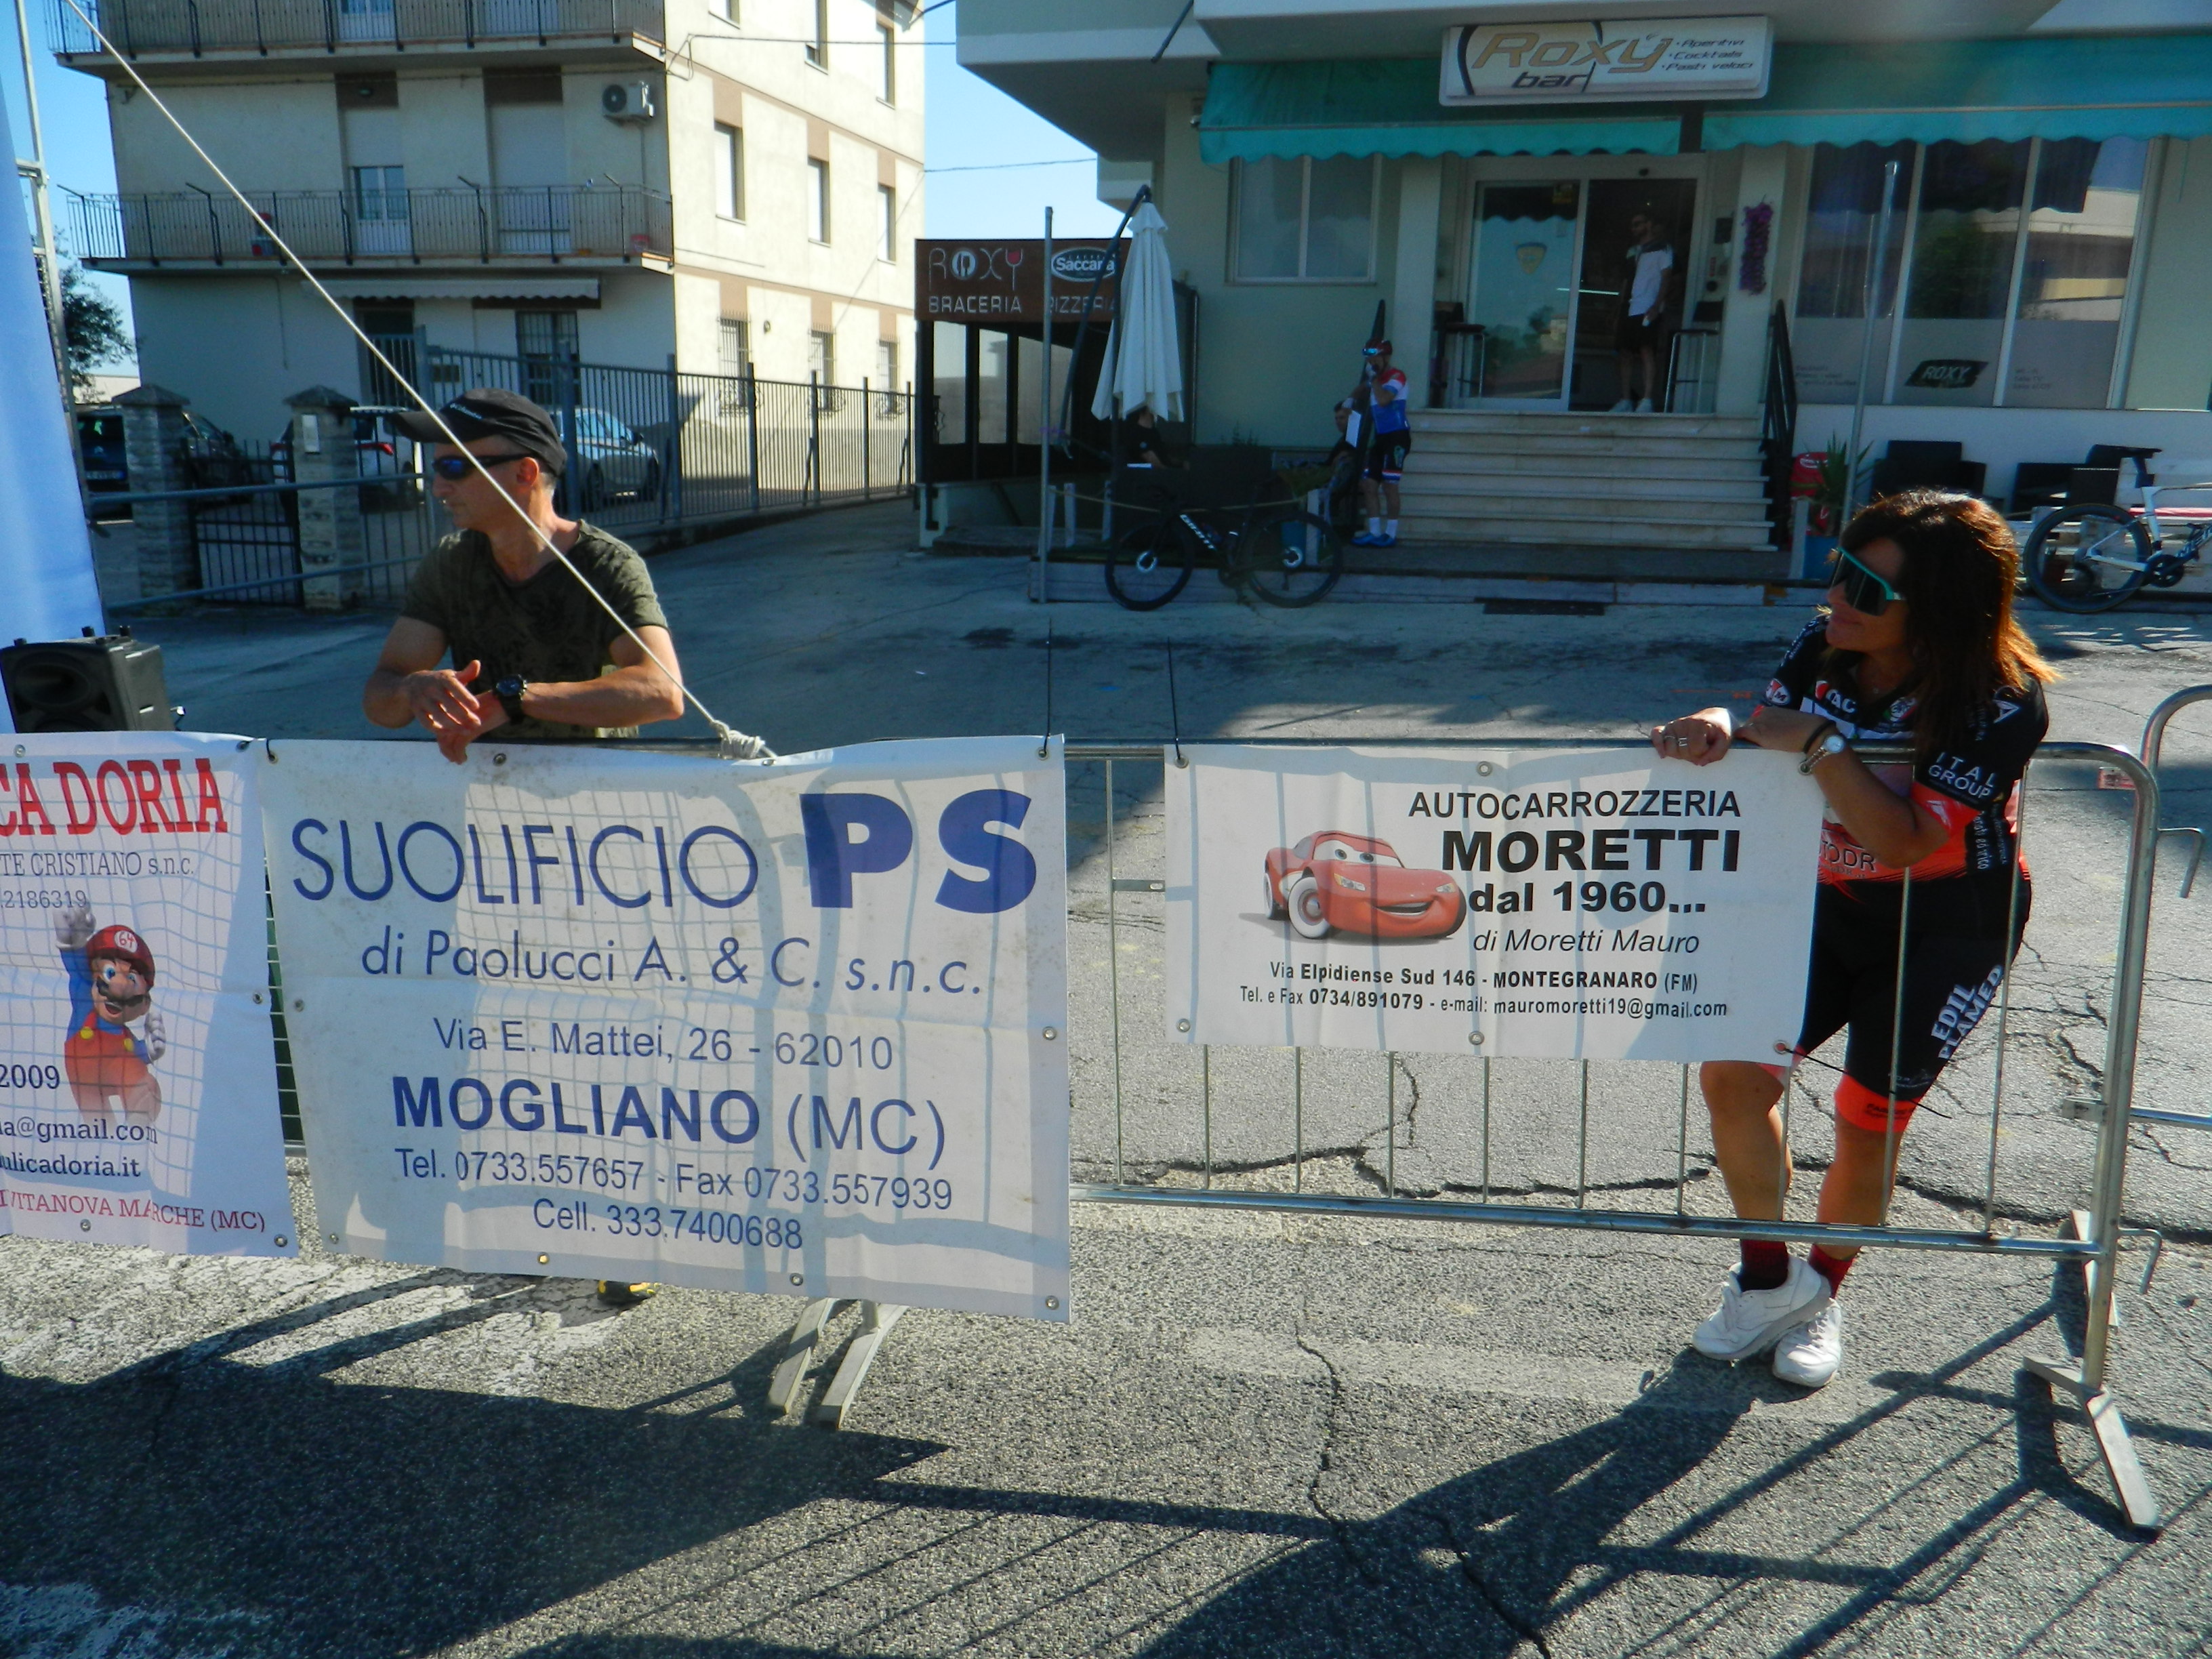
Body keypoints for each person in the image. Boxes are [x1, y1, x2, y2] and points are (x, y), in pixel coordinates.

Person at [1650, 491, 2052, 1390]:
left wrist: (1826, 745)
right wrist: (1722, 725)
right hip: (1828, 904)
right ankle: (1768, 1284)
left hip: (1947, 923)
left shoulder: (2001, 699)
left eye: (1867, 589)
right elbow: (1773, 728)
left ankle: (1821, 1294)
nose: (1836, 597)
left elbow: (1903, 839)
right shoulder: (1827, 642)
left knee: (1866, 1120)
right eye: (1841, 571)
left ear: (1939, 609)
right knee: (1733, 1077)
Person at [362, 386, 686, 1307]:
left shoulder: (605, 563)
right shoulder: (450, 565)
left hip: (601, 847)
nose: (438, 485)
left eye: (455, 465)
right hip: (493, 841)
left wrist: (515, 697)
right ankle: (525, 1211)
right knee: (505, 1036)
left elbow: (660, 691)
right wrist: (418, 689)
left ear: (526, 472)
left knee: (609, 1042)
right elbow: (379, 695)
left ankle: (631, 1228)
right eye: (432, 465)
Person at [1612, 213, 1678, 414]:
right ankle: (1626, 399)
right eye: (1632, 225)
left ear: (1649, 224)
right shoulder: (1632, 251)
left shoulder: (1663, 248)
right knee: (1624, 353)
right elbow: (1625, 281)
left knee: (1646, 350)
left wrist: (1657, 306)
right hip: (1629, 306)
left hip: (1648, 306)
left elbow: (1667, 278)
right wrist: (1617, 310)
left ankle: (1647, 399)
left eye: (1638, 224)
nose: (1634, 228)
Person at [1353, 339, 1411, 548]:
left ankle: (1391, 534)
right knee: (1369, 484)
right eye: (1369, 359)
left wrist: (1374, 380)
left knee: (1389, 485)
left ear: (1386, 357)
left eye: (1375, 358)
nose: (1371, 362)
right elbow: (1361, 390)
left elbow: (1385, 400)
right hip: (1381, 436)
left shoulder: (1397, 376)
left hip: (1398, 437)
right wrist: (1349, 401)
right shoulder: (1375, 379)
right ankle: (1375, 532)